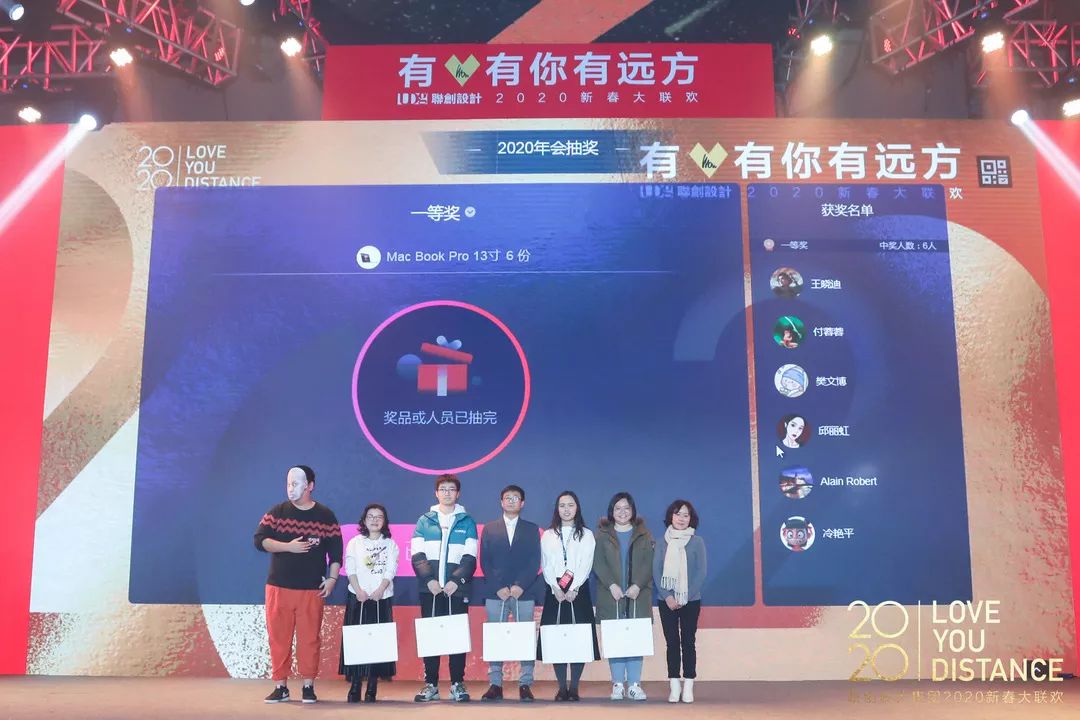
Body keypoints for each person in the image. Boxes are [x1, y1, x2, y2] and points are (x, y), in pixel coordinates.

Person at [254, 465, 342, 704]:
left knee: (310, 639)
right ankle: (280, 686)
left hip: (311, 589)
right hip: (278, 587)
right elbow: (259, 541)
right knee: (278, 638)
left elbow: (336, 553)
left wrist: (332, 579)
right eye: (288, 483)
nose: (290, 488)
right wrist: (287, 547)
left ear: (310, 486)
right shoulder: (277, 512)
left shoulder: (325, 516)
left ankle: (308, 685)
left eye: (295, 483)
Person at [411, 473, 478, 702]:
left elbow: (470, 557)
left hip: (456, 590)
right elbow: (417, 555)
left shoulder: (467, 521)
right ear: (436, 493)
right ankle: (430, 685)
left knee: (457, 638)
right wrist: (429, 580)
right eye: (443, 489)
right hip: (429, 590)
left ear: (458, 494)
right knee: (431, 638)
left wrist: (455, 581)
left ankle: (457, 684)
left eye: (451, 489)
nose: (447, 493)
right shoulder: (424, 521)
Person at [479, 484, 542, 702]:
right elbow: (484, 561)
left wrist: (520, 585)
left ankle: (525, 684)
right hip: (495, 592)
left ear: (522, 503)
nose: (511, 500)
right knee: (495, 638)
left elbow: (535, 560)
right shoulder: (489, 529)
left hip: (524, 592)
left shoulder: (532, 529)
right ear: (501, 502)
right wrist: (498, 587)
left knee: (525, 638)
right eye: (508, 497)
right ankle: (495, 684)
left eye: (516, 497)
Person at [537, 490, 599, 702]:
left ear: (577, 508)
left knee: (578, 638)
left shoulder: (587, 534)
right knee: (557, 639)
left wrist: (575, 588)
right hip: (554, 591)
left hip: (578, 590)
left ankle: (574, 688)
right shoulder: (548, 535)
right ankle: (562, 687)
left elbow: (586, 563)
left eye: (570, 505)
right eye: (562, 505)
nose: (566, 509)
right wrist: (555, 587)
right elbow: (546, 563)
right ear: (557, 509)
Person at [593, 491, 655, 701]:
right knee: (616, 639)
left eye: (626, 508)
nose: (622, 512)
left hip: (638, 595)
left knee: (636, 639)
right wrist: (611, 585)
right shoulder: (602, 535)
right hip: (611, 595)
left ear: (633, 510)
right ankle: (618, 684)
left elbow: (649, 563)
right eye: (617, 508)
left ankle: (635, 685)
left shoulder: (644, 534)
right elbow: (598, 563)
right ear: (611, 511)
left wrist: (638, 585)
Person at [340, 503, 400, 703]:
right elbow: (350, 569)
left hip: (381, 598)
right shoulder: (355, 542)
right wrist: (358, 591)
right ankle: (355, 685)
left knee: (377, 644)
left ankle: (372, 687)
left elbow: (390, 570)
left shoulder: (390, 544)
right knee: (357, 643)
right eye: (371, 516)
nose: (374, 520)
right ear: (364, 520)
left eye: (379, 517)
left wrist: (380, 590)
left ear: (384, 521)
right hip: (358, 597)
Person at [653, 500, 707, 703]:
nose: (682, 518)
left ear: (691, 519)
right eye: (678, 514)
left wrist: (686, 597)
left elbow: (701, 572)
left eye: (686, 515)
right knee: (672, 643)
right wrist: (668, 596)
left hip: (691, 601)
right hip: (665, 600)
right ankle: (674, 686)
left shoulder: (697, 542)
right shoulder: (661, 542)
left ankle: (689, 686)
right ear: (671, 517)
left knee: (688, 642)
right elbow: (656, 571)